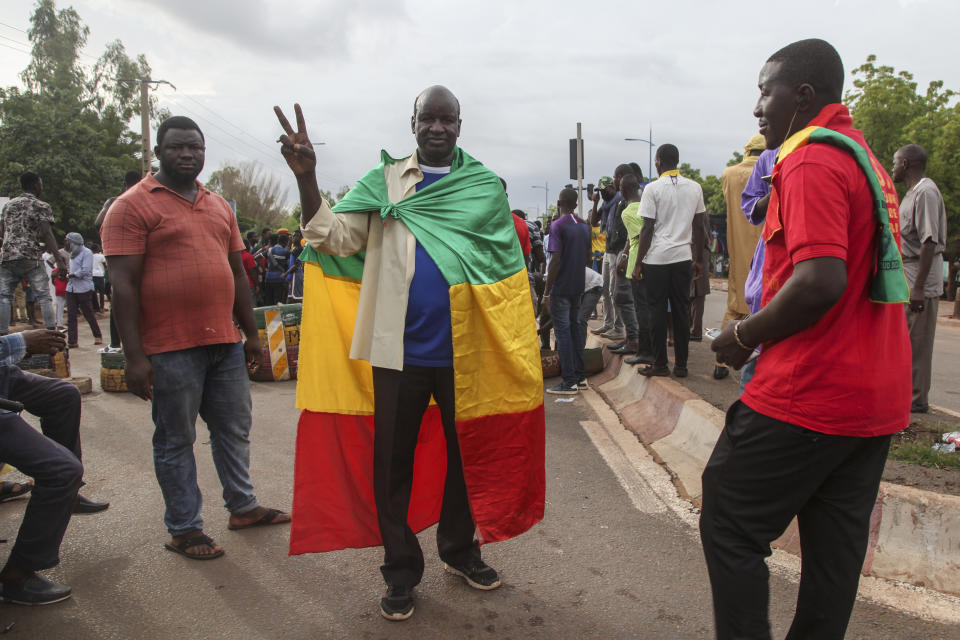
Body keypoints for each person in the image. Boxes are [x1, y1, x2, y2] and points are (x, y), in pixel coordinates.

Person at [275, 86, 544, 622]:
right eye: (428, 119)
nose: (437, 128)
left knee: (467, 456)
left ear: (460, 126)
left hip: (470, 354)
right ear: (413, 122)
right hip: (398, 353)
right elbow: (332, 238)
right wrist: (306, 177)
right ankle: (400, 570)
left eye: (447, 120)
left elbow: (508, 277)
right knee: (392, 463)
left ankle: (460, 550)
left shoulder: (484, 188)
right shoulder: (384, 182)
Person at [707, 39, 911, 640]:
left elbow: (821, 280)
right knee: (833, 554)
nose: (756, 108)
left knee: (729, 518)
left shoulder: (808, 159)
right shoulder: (864, 159)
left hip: (810, 389)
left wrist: (742, 335)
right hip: (872, 403)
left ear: (802, 96)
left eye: (765, 91)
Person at [102, 115, 290, 562]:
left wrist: (249, 334)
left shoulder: (218, 205)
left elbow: (238, 274)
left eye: (195, 148)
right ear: (159, 152)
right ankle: (184, 528)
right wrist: (134, 356)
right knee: (175, 439)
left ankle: (242, 507)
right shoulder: (131, 206)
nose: (187, 154)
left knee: (233, 430)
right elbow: (122, 285)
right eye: (177, 147)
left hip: (223, 342)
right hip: (168, 347)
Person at [633, 145, 707, 378]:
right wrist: (699, 260)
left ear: (658, 162)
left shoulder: (652, 189)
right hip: (683, 258)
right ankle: (682, 365)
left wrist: (638, 263)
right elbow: (700, 227)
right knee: (681, 311)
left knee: (656, 310)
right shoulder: (695, 188)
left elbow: (647, 228)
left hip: (657, 259)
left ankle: (660, 364)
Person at [893, 143, 947, 413]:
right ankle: (907, 395)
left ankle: (917, 400)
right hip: (908, 273)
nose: (892, 168)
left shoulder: (925, 192)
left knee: (918, 342)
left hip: (920, 278)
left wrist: (918, 288)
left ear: (905, 165)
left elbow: (929, 241)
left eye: (895, 162)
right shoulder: (912, 193)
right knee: (906, 341)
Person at [713, 135, 767, 380]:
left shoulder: (730, 174)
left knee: (735, 303)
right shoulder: (772, 169)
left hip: (738, 243)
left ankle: (720, 362)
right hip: (766, 248)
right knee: (764, 301)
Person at [0, 172, 67, 335]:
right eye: (41, 184)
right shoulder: (40, 205)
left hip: (8, 256)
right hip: (30, 256)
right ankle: (51, 331)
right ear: (35, 185)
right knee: (43, 296)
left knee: (4, 297)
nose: (41, 187)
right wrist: (59, 260)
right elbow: (47, 233)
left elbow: (2, 230)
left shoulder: (9, 205)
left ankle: (2, 335)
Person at [543, 188, 592, 395]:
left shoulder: (557, 226)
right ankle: (580, 377)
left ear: (559, 202)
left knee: (562, 335)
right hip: (578, 286)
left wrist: (547, 292)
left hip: (561, 288)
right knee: (575, 331)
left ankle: (569, 381)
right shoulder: (584, 226)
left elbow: (555, 260)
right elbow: (589, 258)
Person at [617, 173, 654, 363]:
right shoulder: (649, 205)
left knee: (641, 310)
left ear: (624, 190)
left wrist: (634, 264)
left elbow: (638, 238)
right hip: (655, 261)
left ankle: (644, 351)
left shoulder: (627, 212)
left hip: (637, 264)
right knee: (652, 308)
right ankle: (652, 349)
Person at [589, 176, 622, 336]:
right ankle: (608, 323)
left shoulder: (620, 201)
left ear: (612, 187)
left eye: (604, 190)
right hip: (608, 251)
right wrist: (595, 202)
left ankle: (618, 327)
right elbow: (593, 221)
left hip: (618, 251)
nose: (602, 194)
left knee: (615, 291)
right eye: (600, 191)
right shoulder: (605, 204)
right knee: (605, 290)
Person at [63, 232, 102, 348]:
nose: (66, 243)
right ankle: (72, 341)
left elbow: (85, 270)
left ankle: (97, 335)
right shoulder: (72, 254)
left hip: (84, 288)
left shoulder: (87, 253)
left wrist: (72, 275)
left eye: (67, 241)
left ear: (74, 242)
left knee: (88, 313)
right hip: (71, 288)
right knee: (71, 315)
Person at [264, 230, 291, 305]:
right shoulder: (286, 252)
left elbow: (257, 258)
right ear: (286, 242)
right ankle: (277, 317)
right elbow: (290, 264)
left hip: (268, 278)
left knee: (269, 301)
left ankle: (269, 316)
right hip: (279, 279)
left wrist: (264, 268)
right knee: (278, 301)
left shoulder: (269, 250)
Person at [91, 244, 107, 313]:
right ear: (98, 249)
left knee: (93, 292)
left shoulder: (90, 256)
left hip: (92, 275)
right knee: (101, 292)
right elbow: (105, 265)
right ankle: (102, 307)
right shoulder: (101, 256)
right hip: (100, 275)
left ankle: (95, 307)